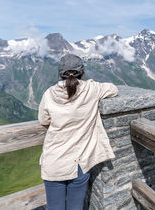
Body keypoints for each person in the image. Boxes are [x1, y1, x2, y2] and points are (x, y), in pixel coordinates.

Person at [38, 53, 118, 210]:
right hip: (79, 163)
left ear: (59, 75)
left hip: (54, 162)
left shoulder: (49, 94)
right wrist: (91, 83)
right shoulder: (92, 89)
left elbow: (43, 120)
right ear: (82, 73)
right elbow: (113, 89)